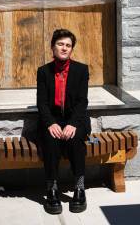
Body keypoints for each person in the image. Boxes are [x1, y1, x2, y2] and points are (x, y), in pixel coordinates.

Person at [37, 28, 90, 215]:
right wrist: (50, 123)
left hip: (75, 119)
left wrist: (73, 123)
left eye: (68, 45)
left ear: (71, 49)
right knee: (50, 142)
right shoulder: (43, 72)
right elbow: (41, 103)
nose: (64, 48)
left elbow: (83, 101)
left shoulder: (81, 70)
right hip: (52, 120)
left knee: (75, 141)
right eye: (60, 44)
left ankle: (79, 187)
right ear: (53, 47)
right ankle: (51, 188)